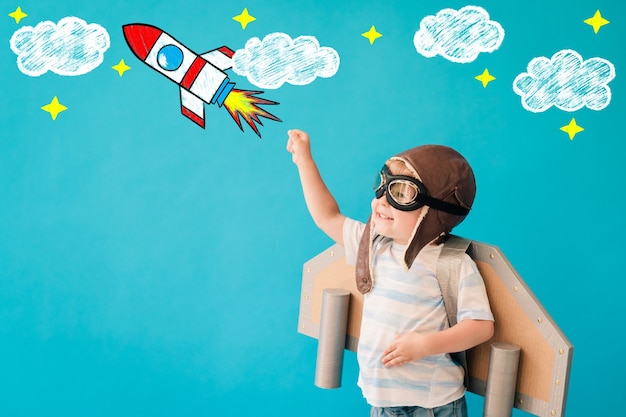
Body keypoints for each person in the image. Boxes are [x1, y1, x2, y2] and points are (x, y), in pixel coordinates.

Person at [287, 129, 494, 417]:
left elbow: (481, 326)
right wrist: (304, 161)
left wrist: (425, 345)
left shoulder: (451, 263)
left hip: (435, 404)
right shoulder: (372, 245)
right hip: (382, 402)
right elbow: (327, 217)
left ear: (434, 212)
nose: (382, 201)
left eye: (401, 193)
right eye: (382, 186)